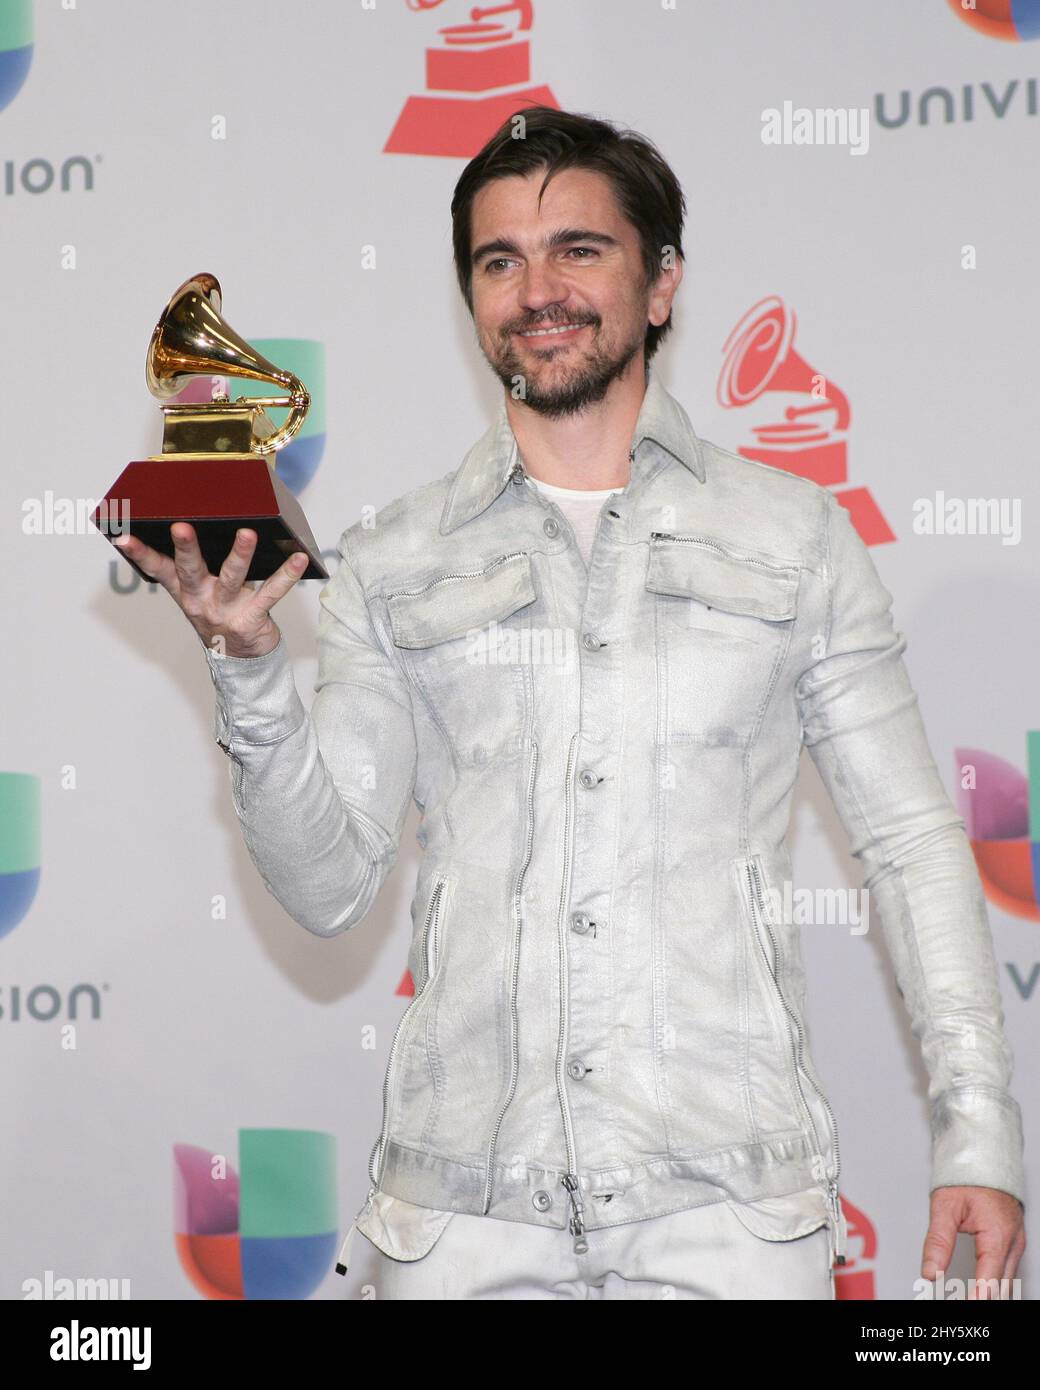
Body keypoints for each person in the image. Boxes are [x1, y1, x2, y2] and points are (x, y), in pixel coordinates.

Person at [114, 107, 1025, 1300]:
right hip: (460, 1223)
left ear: (660, 285)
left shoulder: (794, 536)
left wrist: (977, 1130)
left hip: (730, 1216)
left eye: (577, 250)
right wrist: (246, 672)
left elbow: (908, 844)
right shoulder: (391, 557)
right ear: (472, 301)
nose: (536, 288)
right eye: (499, 260)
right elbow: (329, 886)